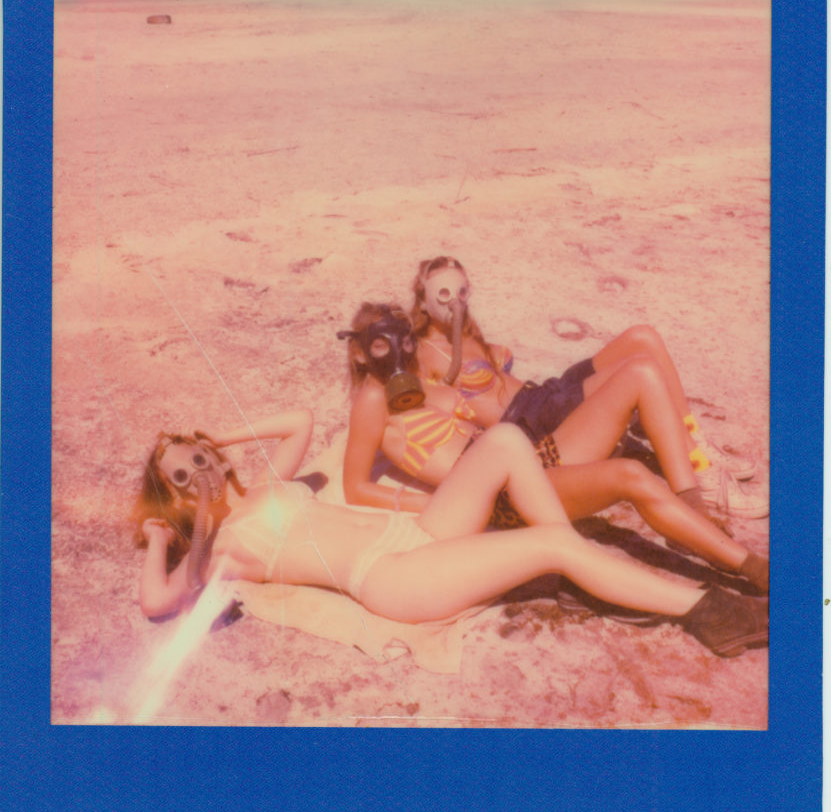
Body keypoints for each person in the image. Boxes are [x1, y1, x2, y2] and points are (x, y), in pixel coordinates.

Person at [133, 409, 767, 658]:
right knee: (554, 542)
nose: (198, 472)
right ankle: (710, 613)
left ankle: (575, 570)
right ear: (176, 495)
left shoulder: (270, 484)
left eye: (197, 456)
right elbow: (159, 601)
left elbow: (300, 421)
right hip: (392, 579)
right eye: (181, 475)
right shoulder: (223, 544)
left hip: (416, 533)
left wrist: (218, 436)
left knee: (506, 440)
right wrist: (167, 537)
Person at [340, 303, 768, 592]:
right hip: (503, 496)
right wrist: (432, 505)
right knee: (631, 476)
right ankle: (750, 567)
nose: (397, 353)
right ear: (358, 355)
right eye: (380, 346)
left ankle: (693, 505)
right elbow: (355, 488)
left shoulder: (418, 382)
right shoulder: (373, 400)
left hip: (529, 457)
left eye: (403, 341)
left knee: (641, 370)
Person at [410, 255, 768, 521]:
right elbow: (419, 408)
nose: (456, 302)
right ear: (423, 300)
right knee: (641, 372)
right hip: (533, 420)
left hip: (544, 395)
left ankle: (695, 443)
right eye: (444, 294)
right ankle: (700, 477)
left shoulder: (465, 331)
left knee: (642, 337)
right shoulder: (422, 355)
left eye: (462, 291)